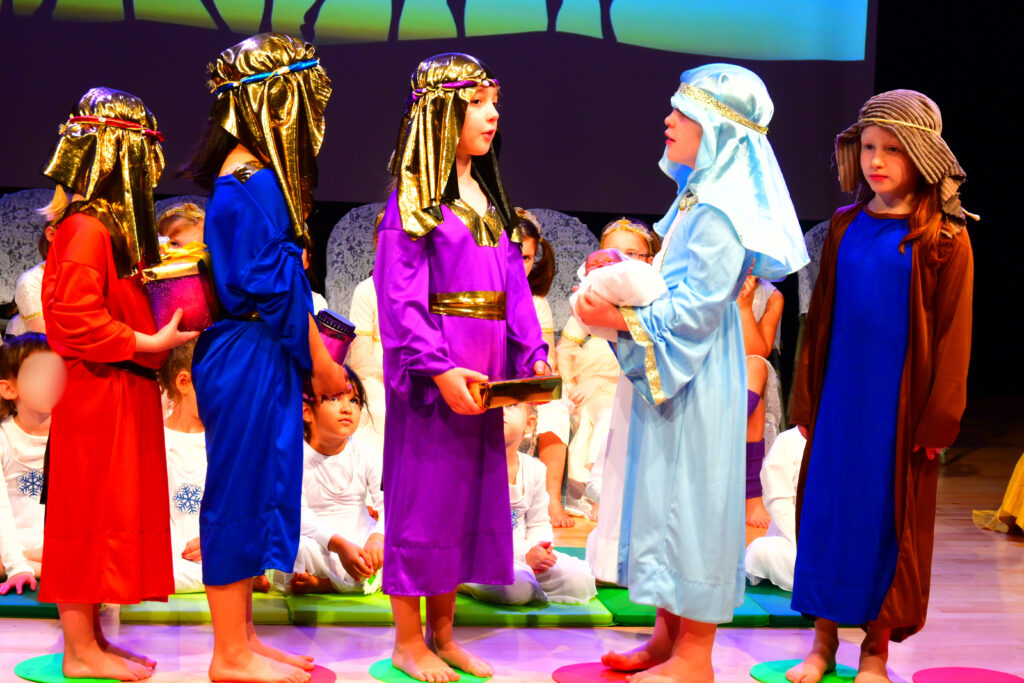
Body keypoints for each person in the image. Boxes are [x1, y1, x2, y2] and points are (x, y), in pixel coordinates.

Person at [575, 64, 807, 681]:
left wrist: (614, 315)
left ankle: (695, 656)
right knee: (666, 501)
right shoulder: (697, 200)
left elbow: (695, 310)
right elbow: (670, 286)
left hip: (699, 371)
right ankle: (666, 638)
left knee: (694, 506)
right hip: (684, 367)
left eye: (683, 112)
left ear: (718, 128)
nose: (669, 121)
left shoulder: (721, 212)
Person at [788, 90, 974, 683]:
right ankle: (822, 642)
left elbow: (953, 334)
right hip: (841, 399)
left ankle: (876, 650)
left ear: (921, 155)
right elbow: (820, 319)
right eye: (868, 147)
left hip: (898, 408)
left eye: (892, 149)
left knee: (885, 521)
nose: (876, 161)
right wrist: (807, 397)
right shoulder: (846, 225)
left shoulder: (943, 237)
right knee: (829, 514)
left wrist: (938, 418)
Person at [375, 52, 549, 682]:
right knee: (424, 501)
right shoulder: (412, 201)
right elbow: (400, 299)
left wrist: (532, 354)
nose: (492, 114)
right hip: (438, 375)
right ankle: (407, 641)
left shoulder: (488, 200)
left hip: (486, 371)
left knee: (463, 503)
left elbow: (514, 289)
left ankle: (443, 635)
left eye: (493, 102)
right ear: (441, 113)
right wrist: (439, 369)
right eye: (477, 103)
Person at [181, 33, 346, 683]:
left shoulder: (251, 176)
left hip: (258, 348)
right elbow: (273, 287)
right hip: (250, 348)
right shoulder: (254, 180)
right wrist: (322, 363)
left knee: (256, 488)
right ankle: (228, 653)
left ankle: (243, 636)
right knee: (238, 493)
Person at [40, 87, 198, 681]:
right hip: (96, 389)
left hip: (120, 384)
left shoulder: (107, 226)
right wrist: (148, 344)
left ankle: (94, 638)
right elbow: (73, 320)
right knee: (85, 516)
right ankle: (79, 650)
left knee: (105, 514)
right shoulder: (86, 227)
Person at [462, 402, 596, 605]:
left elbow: (539, 523)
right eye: (493, 403)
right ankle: (463, 582)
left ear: (529, 424)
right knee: (519, 585)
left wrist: (540, 551)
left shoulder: (535, 469)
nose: (500, 410)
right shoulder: (468, 468)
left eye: (511, 404)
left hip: (525, 557)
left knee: (579, 577)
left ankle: (530, 580)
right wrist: (525, 558)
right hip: (481, 559)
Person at [284, 370, 385, 595]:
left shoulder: (367, 454)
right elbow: (297, 515)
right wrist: (339, 545)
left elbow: (389, 503)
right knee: (295, 549)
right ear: (306, 412)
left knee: (400, 546)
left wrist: (378, 538)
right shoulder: (293, 457)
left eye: (354, 400)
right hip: (319, 543)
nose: (347, 408)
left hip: (362, 540)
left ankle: (327, 583)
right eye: (334, 399)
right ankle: (342, 582)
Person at [516, 207, 573, 528]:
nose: (519, 264)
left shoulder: (537, 304)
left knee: (554, 408)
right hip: (491, 380)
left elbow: (545, 357)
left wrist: (540, 374)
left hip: (525, 385)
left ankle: (551, 498)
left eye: (526, 257)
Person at [0, 333, 64, 595]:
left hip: (57, 548)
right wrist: (17, 565)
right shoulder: (3, 438)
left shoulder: (75, 438)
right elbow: (2, 508)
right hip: (9, 547)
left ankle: (44, 564)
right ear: (9, 389)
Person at [157, 339, 208, 594]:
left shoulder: (226, 440)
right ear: (184, 382)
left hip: (217, 549)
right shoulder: (155, 438)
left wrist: (215, 541)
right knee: (150, 570)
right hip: (172, 556)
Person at [745, 427, 807, 591]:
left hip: (834, 543)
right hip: (796, 541)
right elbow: (779, 502)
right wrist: (805, 546)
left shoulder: (839, 442)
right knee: (760, 552)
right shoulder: (788, 441)